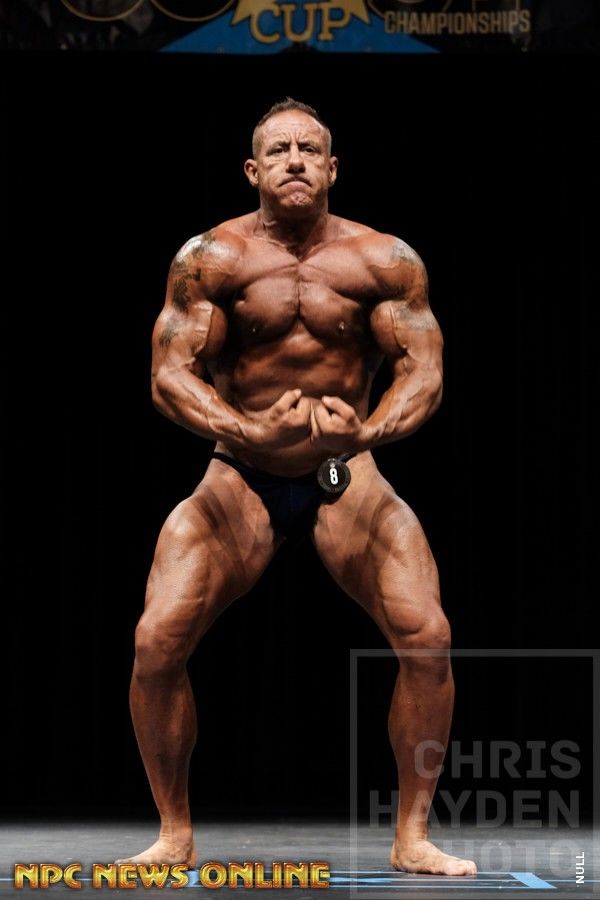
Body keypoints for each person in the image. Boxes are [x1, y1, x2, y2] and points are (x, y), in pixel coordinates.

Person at [122, 98, 477, 877]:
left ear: (332, 168)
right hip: (239, 474)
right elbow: (168, 376)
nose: (294, 160)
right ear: (253, 169)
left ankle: (413, 835)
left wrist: (367, 433)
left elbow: (425, 372)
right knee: (156, 641)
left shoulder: (384, 261)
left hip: (344, 473)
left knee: (428, 637)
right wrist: (247, 431)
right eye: (279, 149)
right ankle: (174, 832)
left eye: (309, 150)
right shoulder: (210, 259)